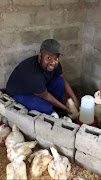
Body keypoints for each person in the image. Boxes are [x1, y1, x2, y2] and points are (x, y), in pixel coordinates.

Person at [6, 39, 79, 116]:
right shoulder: (33, 73)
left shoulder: (55, 64)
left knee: (60, 81)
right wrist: (65, 108)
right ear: (40, 56)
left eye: (56, 58)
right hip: (20, 94)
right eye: (48, 58)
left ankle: (57, 109)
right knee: (47, 108)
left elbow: (64, 80)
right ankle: (53, 110)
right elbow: (45, 95)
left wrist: (75, 99)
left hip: (39, 89)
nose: (53, 62)